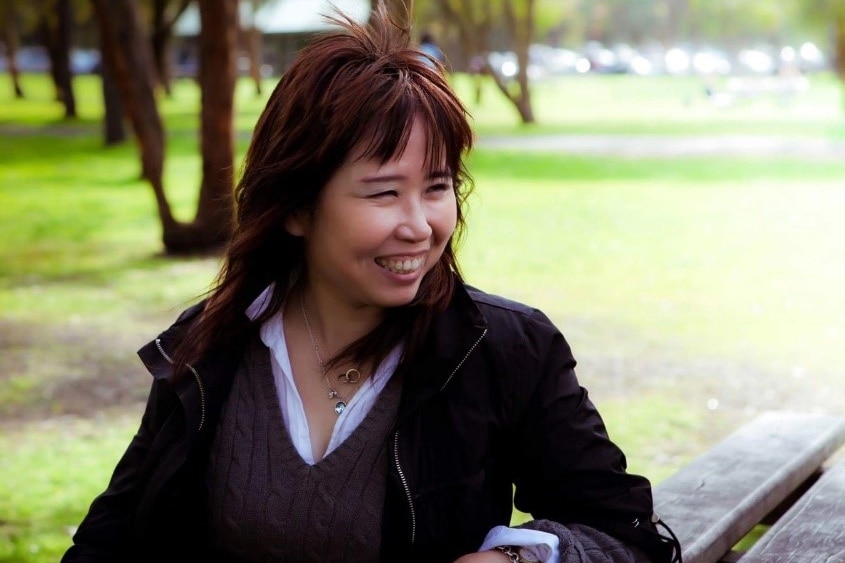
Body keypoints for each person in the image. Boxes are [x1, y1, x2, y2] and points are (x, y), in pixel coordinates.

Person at [61, 5, 681, 563]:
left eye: (437, 187)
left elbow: (626, 536)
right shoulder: (208, 350)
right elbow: (111, 538)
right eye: (384, 192)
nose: (420, 226)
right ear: (297, 209)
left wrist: (517, 560)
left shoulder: (506, 350)